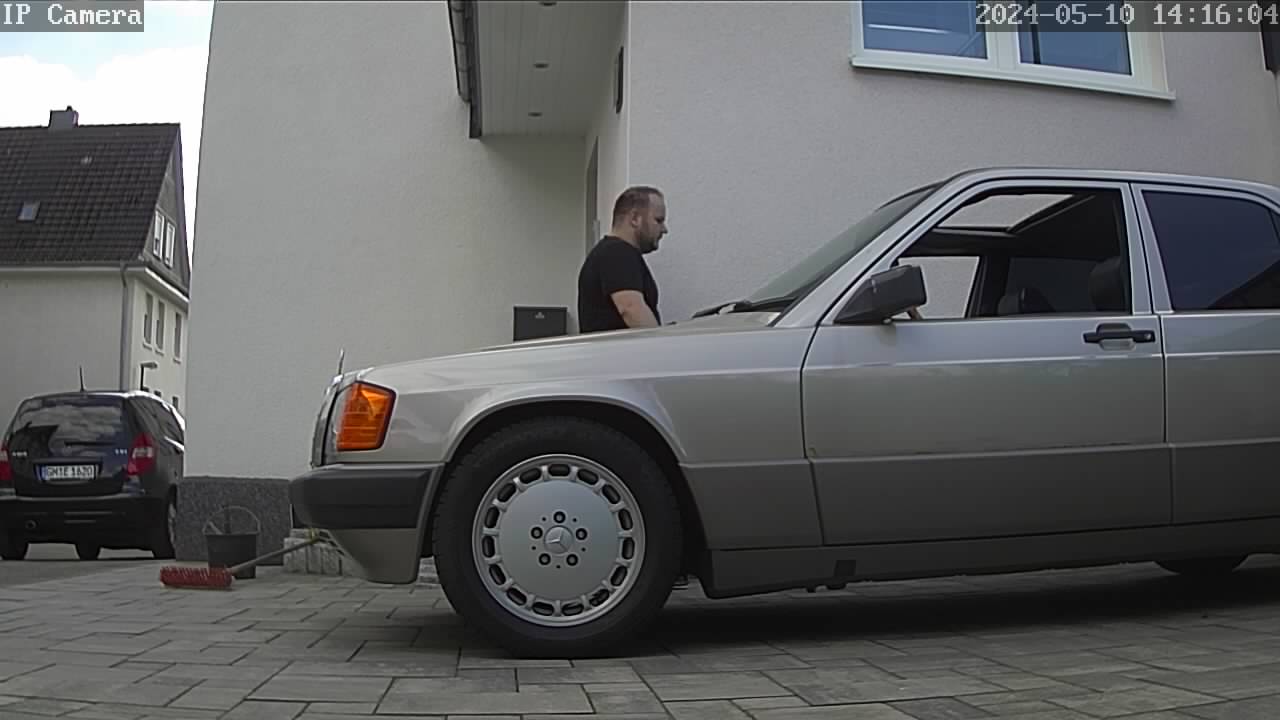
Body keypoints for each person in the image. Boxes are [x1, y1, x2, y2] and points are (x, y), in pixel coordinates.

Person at [577, 185, 668, 333]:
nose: (664, 229)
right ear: (635, 219)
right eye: (658, 220)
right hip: (617, 349)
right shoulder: (617, 253)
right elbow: (630, 309)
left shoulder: (612, 252)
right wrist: (662, 343)